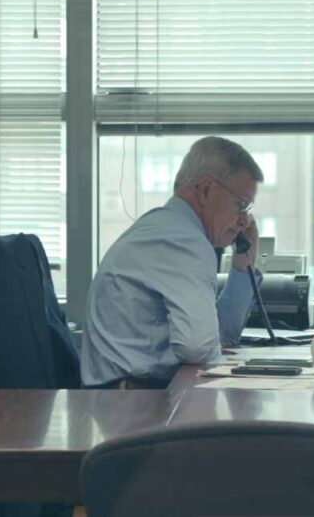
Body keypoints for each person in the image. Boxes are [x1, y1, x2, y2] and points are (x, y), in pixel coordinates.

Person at [81, 136, 263, 389]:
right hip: (133, 405)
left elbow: (221, 336)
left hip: (128, 397)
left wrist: (245, 263)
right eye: (241, 205)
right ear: (206, 190)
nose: (245, 221)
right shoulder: (182, 239)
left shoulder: (170, 228)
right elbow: (198, 347)